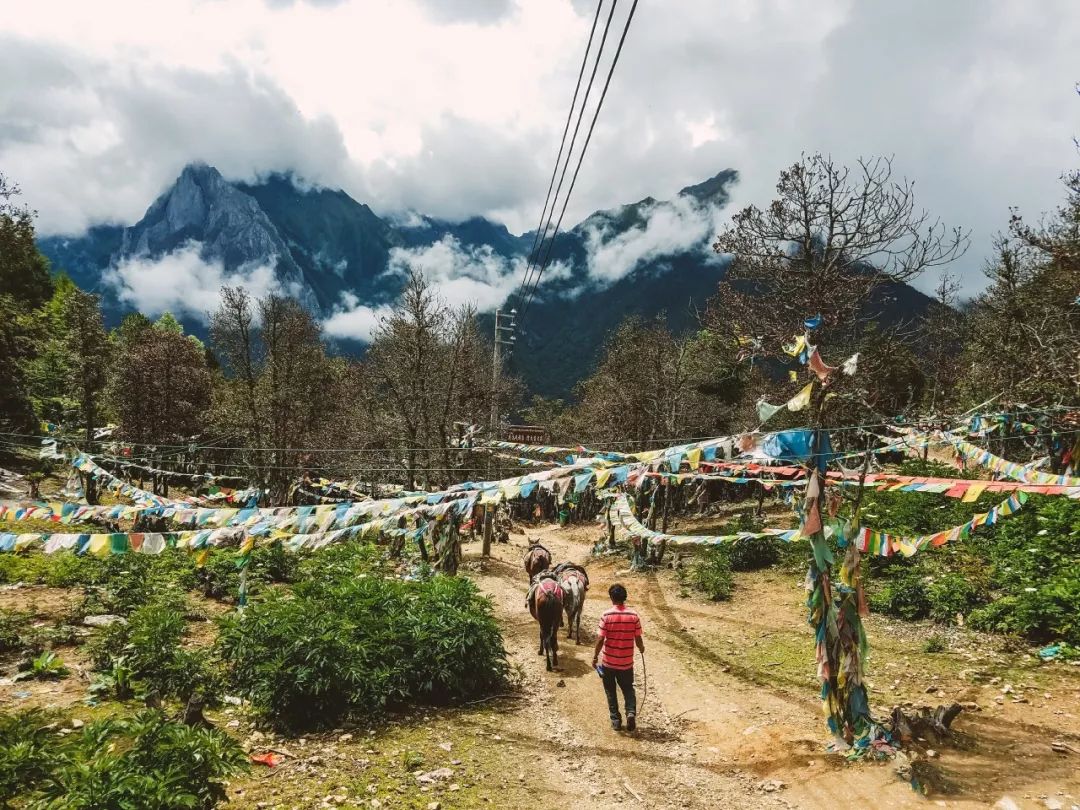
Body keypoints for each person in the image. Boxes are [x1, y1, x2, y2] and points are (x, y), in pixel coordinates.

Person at [591, 583, 644, 732]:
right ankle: (631, 713)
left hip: (608, 662)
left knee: (610, 691)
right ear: (624, 597)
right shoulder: (633, 616)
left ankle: (615, 720)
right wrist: (641, 648)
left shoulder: (606, 615)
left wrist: (595, 657)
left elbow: (600, 639)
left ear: (611, 598)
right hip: (627, 663)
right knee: (628, 689)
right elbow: (638, 638)